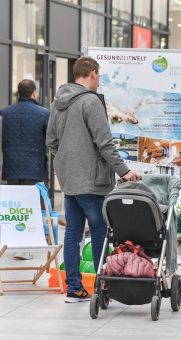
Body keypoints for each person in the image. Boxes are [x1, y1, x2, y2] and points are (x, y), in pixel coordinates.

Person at [46, 57, 140, 303]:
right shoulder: (91, 101)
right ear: (92, 74)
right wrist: (124, 172)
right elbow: (105, 143)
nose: (99, 81)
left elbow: (51, 142)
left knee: (73, 234)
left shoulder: (58, 103)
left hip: (69, 181)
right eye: (98, 77)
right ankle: (103, 288)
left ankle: (74, 289)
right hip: (93, 182)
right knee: (99, 231)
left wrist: (68, 161)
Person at [1, 79, 50, 260]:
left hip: (12, 168)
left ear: (19, 93)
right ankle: (28, 246)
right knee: (33, 208)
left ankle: (13, 242)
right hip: (34, 168)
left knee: (15, 208)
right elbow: (50, 140)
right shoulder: (44, 114)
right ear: (34, 93)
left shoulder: (4, 113)